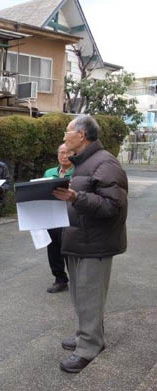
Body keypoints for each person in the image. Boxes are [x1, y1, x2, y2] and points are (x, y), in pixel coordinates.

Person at [52, 115, 128, 373]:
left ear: (82, 135)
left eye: (68, 131)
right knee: (81, 295)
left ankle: (89, 346)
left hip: (95, 244)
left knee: (89, 296)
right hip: (79, 239)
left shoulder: (105, 163)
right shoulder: (84, 163)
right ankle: (87, 334)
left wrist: (77, 197)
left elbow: (113, 207)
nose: (64, 136)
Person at [43, 144, 75, 294]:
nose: (64, 155)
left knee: (70, 250)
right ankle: (60, 279)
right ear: (57, 155)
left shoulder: (79, 172)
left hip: (71, 217)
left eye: (68, 152)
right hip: (52, 216)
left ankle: (76, 281)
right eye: (61, 152)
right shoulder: (49, 172)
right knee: (53, 249)